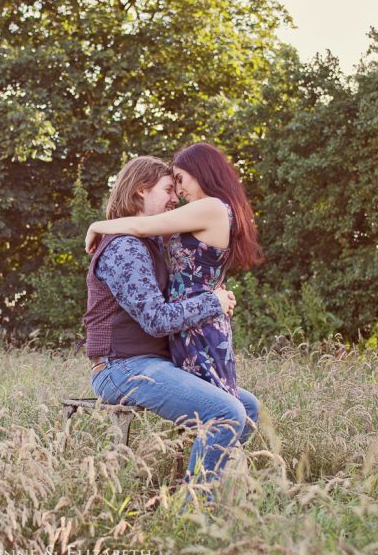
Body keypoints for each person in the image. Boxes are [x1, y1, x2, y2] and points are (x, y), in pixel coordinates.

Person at [83, 154, 258, 493]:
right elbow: (155, 319)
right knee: (227, 414)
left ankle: (197, 484)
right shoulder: (125, 248)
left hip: (148, 363)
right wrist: (213, 303)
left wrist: (212, 293)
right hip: (120, 367)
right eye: (167, 188)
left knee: (247, 408)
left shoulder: (150, 243)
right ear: (140, 193)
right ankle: (192, 506)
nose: (175, 197)